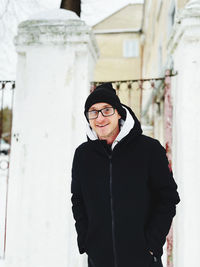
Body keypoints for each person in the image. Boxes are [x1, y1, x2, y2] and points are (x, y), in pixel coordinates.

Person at [71, 83, 180, 267]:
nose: (100, 118)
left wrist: (152, 245)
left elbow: (168, 198)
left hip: (144, 260)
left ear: (119, 112)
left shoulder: (149, 150)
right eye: (93, 112)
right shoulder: (83, 155)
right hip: (99, 261)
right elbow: (78, 200)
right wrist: (86, 241)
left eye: (107, 110)